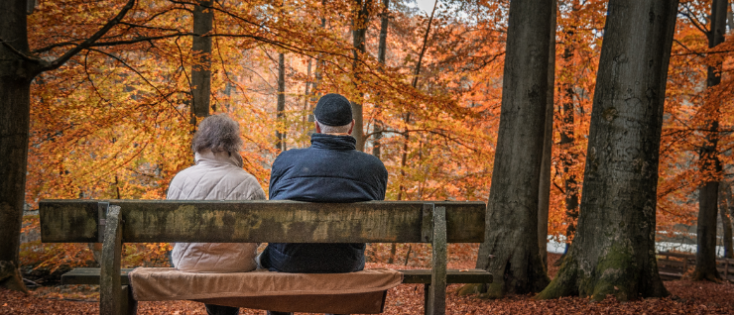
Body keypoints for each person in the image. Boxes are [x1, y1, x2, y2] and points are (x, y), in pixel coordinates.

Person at [259, 93, 388, 315]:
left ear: (316, 126)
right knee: (339, 259)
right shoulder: (374, 168)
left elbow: (274, 210)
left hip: (288, 261)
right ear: (351, 127)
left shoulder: (286, 161)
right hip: (344, 263)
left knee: (273, 259)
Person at [167, 114, 265, 315]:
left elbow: (171, 232)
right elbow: (262, 233)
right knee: (230, 266)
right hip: (238, 264)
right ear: (233, 144)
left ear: (201, 142)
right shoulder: (248, 182)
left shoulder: (180, 179)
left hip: (190, 263)